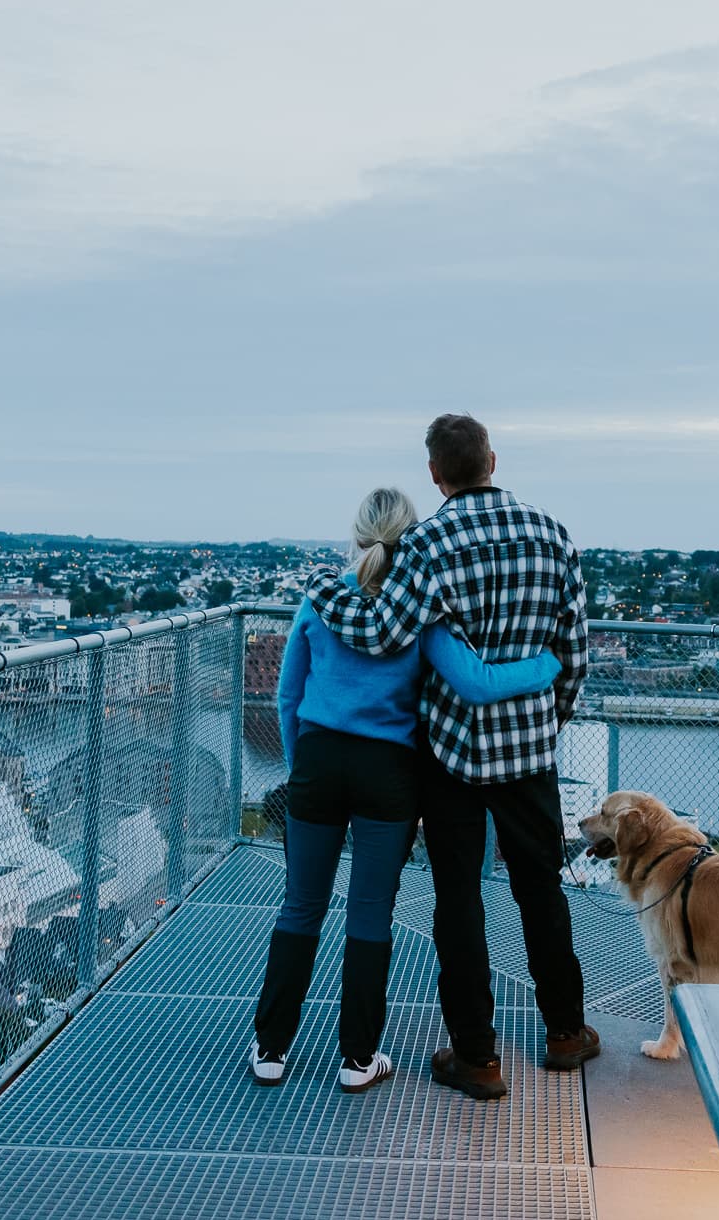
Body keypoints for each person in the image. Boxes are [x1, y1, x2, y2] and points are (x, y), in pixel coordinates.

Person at [298, 414, 594, 1102]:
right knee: (541, 889)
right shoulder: (554, 534)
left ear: (435, 473)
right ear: (493, 457)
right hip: (528, 754)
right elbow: (574, 652)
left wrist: (320, 587)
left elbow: (379, 631)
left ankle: (476, 1055)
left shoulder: (427, 543)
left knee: (458, 901)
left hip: (452, 754)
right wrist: (549, 721)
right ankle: (565, 1031)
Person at [252, 485, 563, 1093]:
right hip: (388, 775)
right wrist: (546, 666)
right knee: (369, 914)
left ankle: (271, 1050)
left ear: (357, 534)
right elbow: (473, 682)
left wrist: (300, 766)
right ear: (411, 539)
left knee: (300, 908)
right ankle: (357, 1059)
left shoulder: (319, 599)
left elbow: (287, 696)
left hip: (318, 762)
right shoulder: (417, 612)